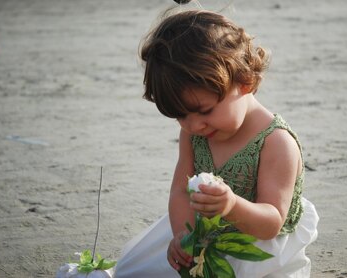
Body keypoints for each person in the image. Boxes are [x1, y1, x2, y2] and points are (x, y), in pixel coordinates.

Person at [114, 8, 318, 278]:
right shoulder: (194, 131)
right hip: (203, 232)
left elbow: (271, 221)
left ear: (244, 81)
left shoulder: (276, 142)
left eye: (205, 110)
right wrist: (184, 237)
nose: (193, 125)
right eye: (179, 115)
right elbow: (179, 192)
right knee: (131, 270)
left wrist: (231, 205)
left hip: (256, 245)